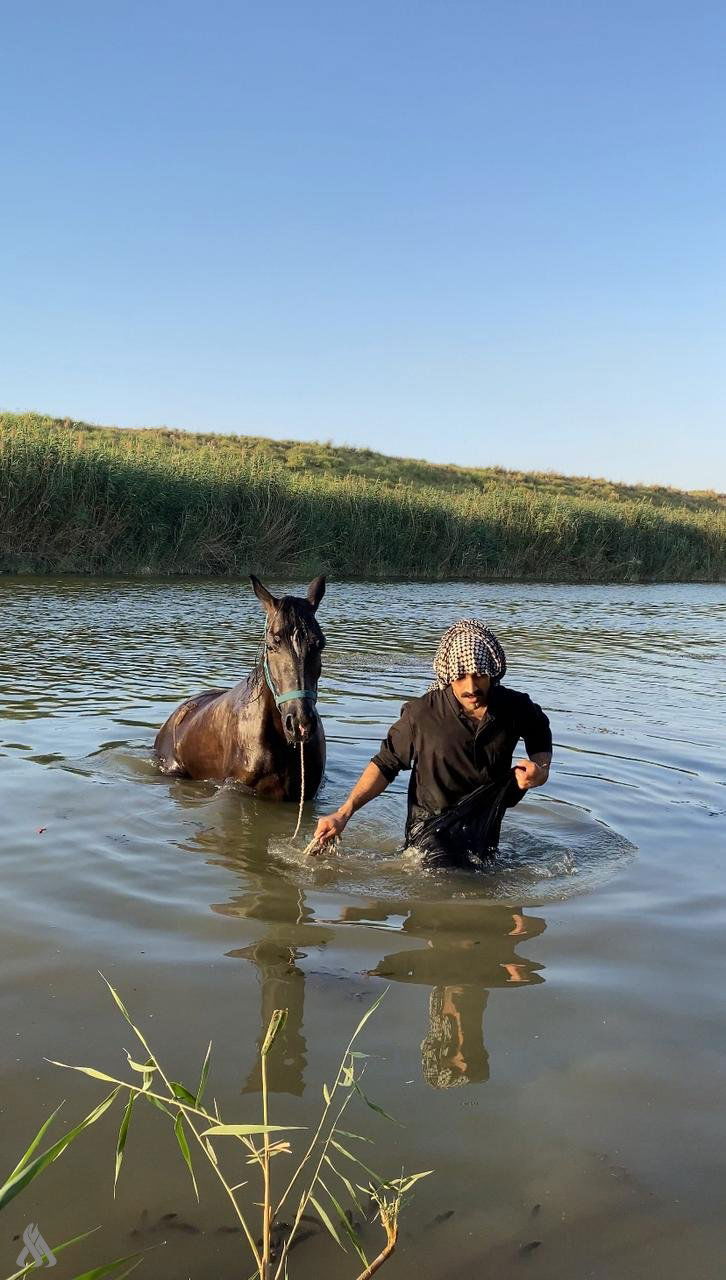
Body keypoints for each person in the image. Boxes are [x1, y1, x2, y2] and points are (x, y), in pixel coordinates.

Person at [312, 618, 552, 865]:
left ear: (491, 671)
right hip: (429, 830)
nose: (471, 687)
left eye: (479, 675)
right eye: (461, 677)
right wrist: (342, 814)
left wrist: (540, 770)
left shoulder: (514, 708)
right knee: (447, 880)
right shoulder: (422, 714)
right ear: (448, 676)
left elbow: (539, 729)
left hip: (486, 826)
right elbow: (385, 764)